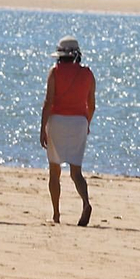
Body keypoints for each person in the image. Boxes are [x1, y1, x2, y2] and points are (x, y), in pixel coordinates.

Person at [41, 35, 96, 226]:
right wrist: (86, 122)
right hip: (79, 122)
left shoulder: (54, 72)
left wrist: (42, 128)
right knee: (76, 172)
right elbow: (91, 103)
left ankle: (56, 214)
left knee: (54, 171)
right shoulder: (88, 74)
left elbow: (48, 102)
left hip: (57, 121)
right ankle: (86, 203)